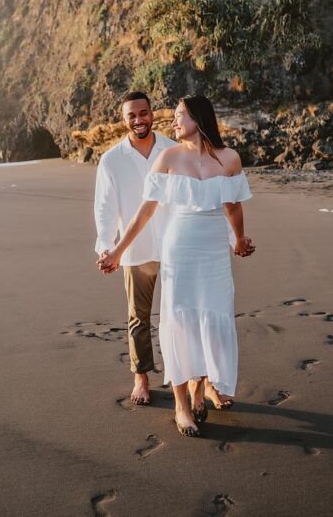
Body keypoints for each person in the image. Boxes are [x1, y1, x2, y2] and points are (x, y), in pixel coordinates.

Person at [98, 95, 256, 437]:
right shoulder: (168, 157)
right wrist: (115, 251)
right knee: (180, 322)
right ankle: (182, 407)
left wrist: (239, 240)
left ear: (198, 118)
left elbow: (233, 208)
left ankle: (201, 391)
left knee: (210, 320)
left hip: (214, 253)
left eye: (180, 115)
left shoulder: (229, 158)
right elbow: (145, 211)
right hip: (179, 250)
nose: (174, 121)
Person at [94, 91, 176, 406]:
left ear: (152, 113)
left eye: (143, 113)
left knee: (180, 316)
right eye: (132, 115)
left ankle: (188, 377)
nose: (139, 120)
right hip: (134, 250)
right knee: (138, 319)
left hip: (173, 245)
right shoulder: (111, 159)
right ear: (123, 118)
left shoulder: (172, 150)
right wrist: (106, 246)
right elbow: (104, 208)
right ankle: (141, 378)